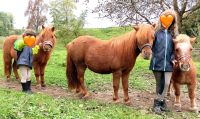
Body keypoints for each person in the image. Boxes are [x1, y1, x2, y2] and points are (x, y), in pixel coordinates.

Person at [149, 9, 179, 114]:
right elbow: (150, 44)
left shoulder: (173, 34)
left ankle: (160, 101)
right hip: (157, 62)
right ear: (160, 20)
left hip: (169, 63)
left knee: (166, 83)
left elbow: (175, 49)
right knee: (159, 84)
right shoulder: (156, 32)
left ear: (173, 21)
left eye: (170, 20)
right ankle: (158, 105)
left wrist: (173, 58)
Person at [14, 29, 40, 93]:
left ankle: (28, 89)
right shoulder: (21, 44)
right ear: (25, 36)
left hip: (29, 63)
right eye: (28, 35)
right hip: (22, 63)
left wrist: (38, 46)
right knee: (24, 76)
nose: (30, 37)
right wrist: (24, 41)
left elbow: (34, 52)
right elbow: (17, 47)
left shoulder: (31, 46)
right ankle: (24, 90)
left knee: (28, 77)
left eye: (32, 36)